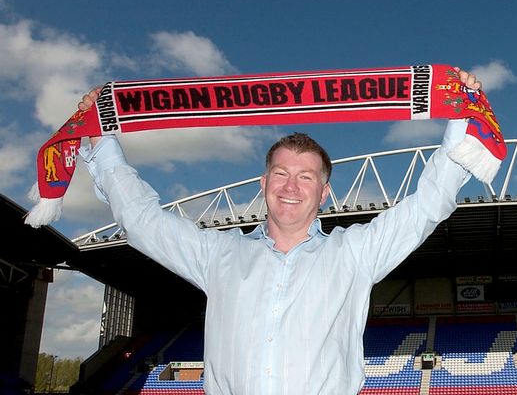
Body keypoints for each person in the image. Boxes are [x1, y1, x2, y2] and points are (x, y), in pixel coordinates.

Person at [78, 68, 483, 395]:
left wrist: (462, 120)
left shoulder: (356, 252)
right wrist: (103, 141)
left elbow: (427, 205)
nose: (291, 187)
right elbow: (143, 221)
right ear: (263, 183)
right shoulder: (218, 255)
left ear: (324, 192)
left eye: (306, 177)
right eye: (281, 174)